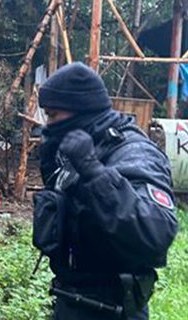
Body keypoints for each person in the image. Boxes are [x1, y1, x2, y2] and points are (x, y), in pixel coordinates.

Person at [32, 62, 178, 319]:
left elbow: (155, 233)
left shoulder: (135, 153)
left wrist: (95, 173)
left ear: (81, 111)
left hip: (113, 310)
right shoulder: (84, 146)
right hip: (72, 301)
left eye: (53, 115)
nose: (48, 124)